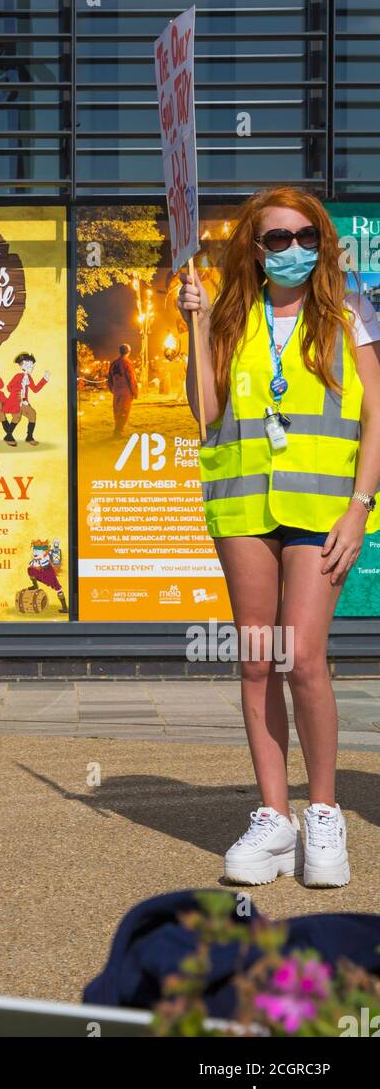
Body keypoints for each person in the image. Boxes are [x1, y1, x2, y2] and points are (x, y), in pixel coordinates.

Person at [179, 185, 380, 889]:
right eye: (274, 239)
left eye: (304, 236)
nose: (291, 249)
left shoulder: (347, 313)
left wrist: (359, 507)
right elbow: (205, 414)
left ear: (321, 242)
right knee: (257, 659)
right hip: (241, 507)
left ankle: (324, 811)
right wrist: (195, 328)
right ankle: (273, 816)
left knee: (303, 659)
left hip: (323, 508)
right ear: (253, 249)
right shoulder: (231, 316)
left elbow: (376, 417)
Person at [1, 353, 51, 447]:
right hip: (15, 401)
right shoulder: (18, 376)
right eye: (29, 364)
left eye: (32, 365)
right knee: (17, 417)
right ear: (22, 365)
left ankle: (29, 437)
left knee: (32, 414)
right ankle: (8, 436)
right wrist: (17, 391)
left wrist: (45, 379)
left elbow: (35, 389)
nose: (31, 367)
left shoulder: (29, 377)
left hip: (24, 402)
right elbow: (8, 388)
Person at [107, 343, 138, 437]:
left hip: (116, 391)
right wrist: (134, 391)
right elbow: (131, 378)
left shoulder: (113, 363)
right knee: (124, 410)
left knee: (117, 410)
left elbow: (109, 378)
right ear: (128, 352)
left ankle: (117, 429)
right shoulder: (128, 363)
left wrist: (112, 389)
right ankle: (119, 431)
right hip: (126, 391)